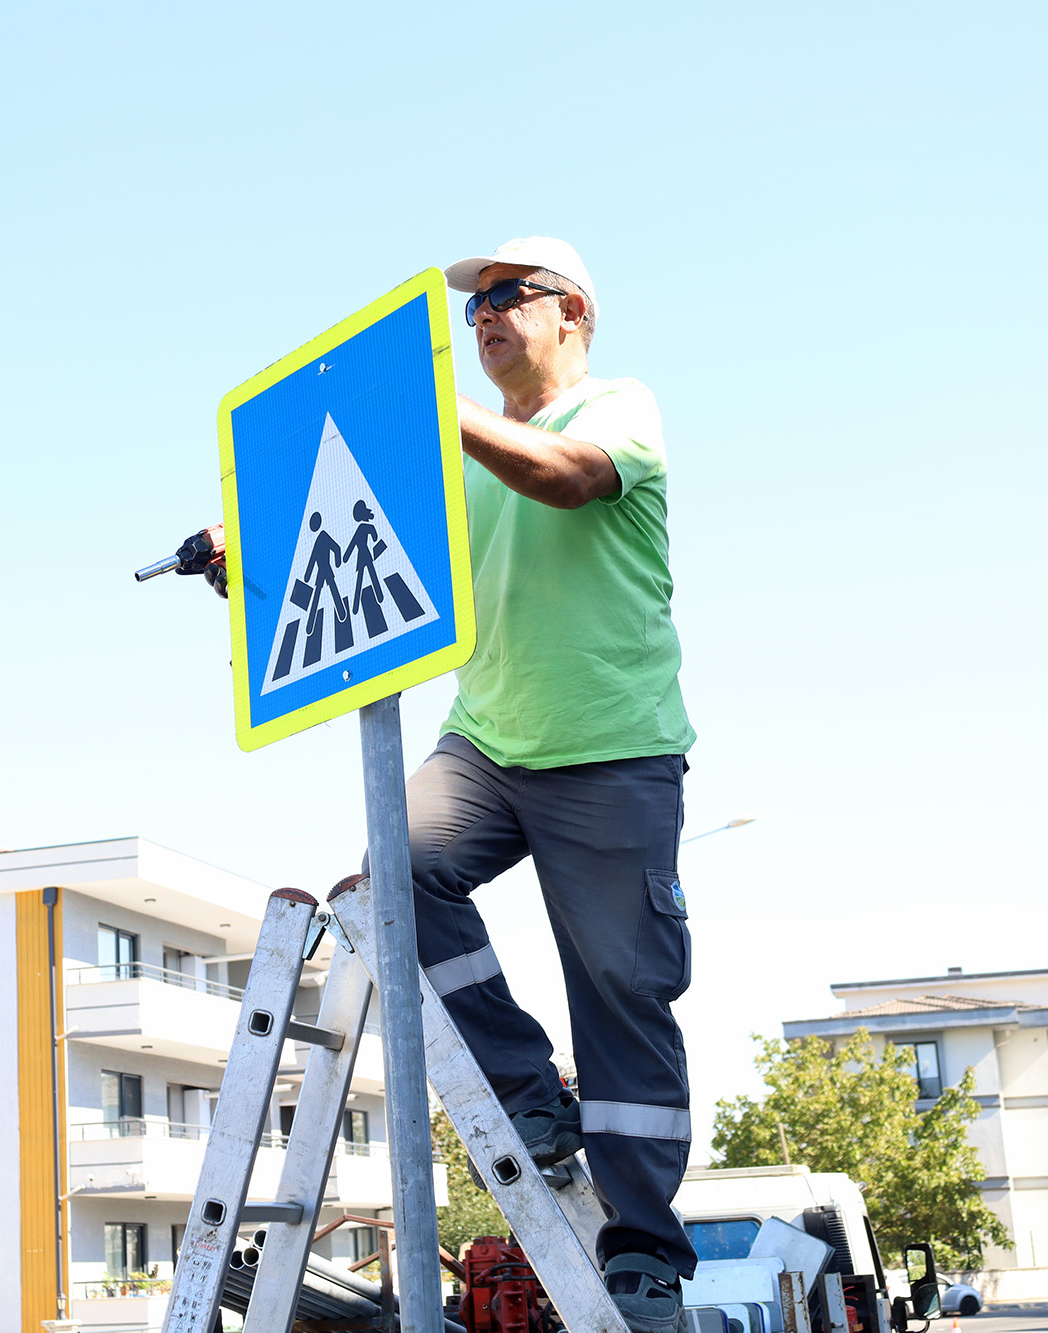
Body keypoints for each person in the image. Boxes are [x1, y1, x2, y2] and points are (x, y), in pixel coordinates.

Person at [413, 235, 697, 1333]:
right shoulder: (467, 454)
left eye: (503, 296)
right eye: (472, 305)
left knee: (620, 991)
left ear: (568, 311)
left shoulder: (617, 408)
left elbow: (573, 484)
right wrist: (240, 546)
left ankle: (643, 1252)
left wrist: (433, 418)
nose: (480, 315)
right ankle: (527, 1090)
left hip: (611, 746)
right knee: (397, 874)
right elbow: (365, 537)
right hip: (486, 740)